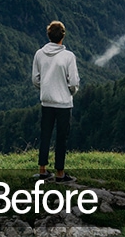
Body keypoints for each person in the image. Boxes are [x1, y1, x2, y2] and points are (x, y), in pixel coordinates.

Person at [32, 20, 79, 183]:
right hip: (63, 103)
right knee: (61, 138)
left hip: (46, 101)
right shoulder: (68, 56)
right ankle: (60, 174)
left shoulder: (39, 54)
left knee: (45, 135)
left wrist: (46, 88)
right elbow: (73, 82)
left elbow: (35, 79)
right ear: (63, 36)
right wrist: (69, 92)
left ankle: (43, 171)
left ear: (49, 35)